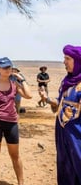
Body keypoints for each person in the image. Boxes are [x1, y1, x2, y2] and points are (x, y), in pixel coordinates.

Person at [0, 57, 32, 185]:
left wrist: (22, 79)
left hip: (11, 123)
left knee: (15, 155)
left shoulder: (14, 84)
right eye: (5, 67)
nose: (8, 70)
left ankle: (21, 182)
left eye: (9, 67)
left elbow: (29, 95)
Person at [41, 44, 81, 185]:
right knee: (66, 172)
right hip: (63, 138)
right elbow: (58, 106)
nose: (64, 62)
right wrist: (46, 99)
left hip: (77, 140)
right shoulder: (67, 83)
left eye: (67, 58)